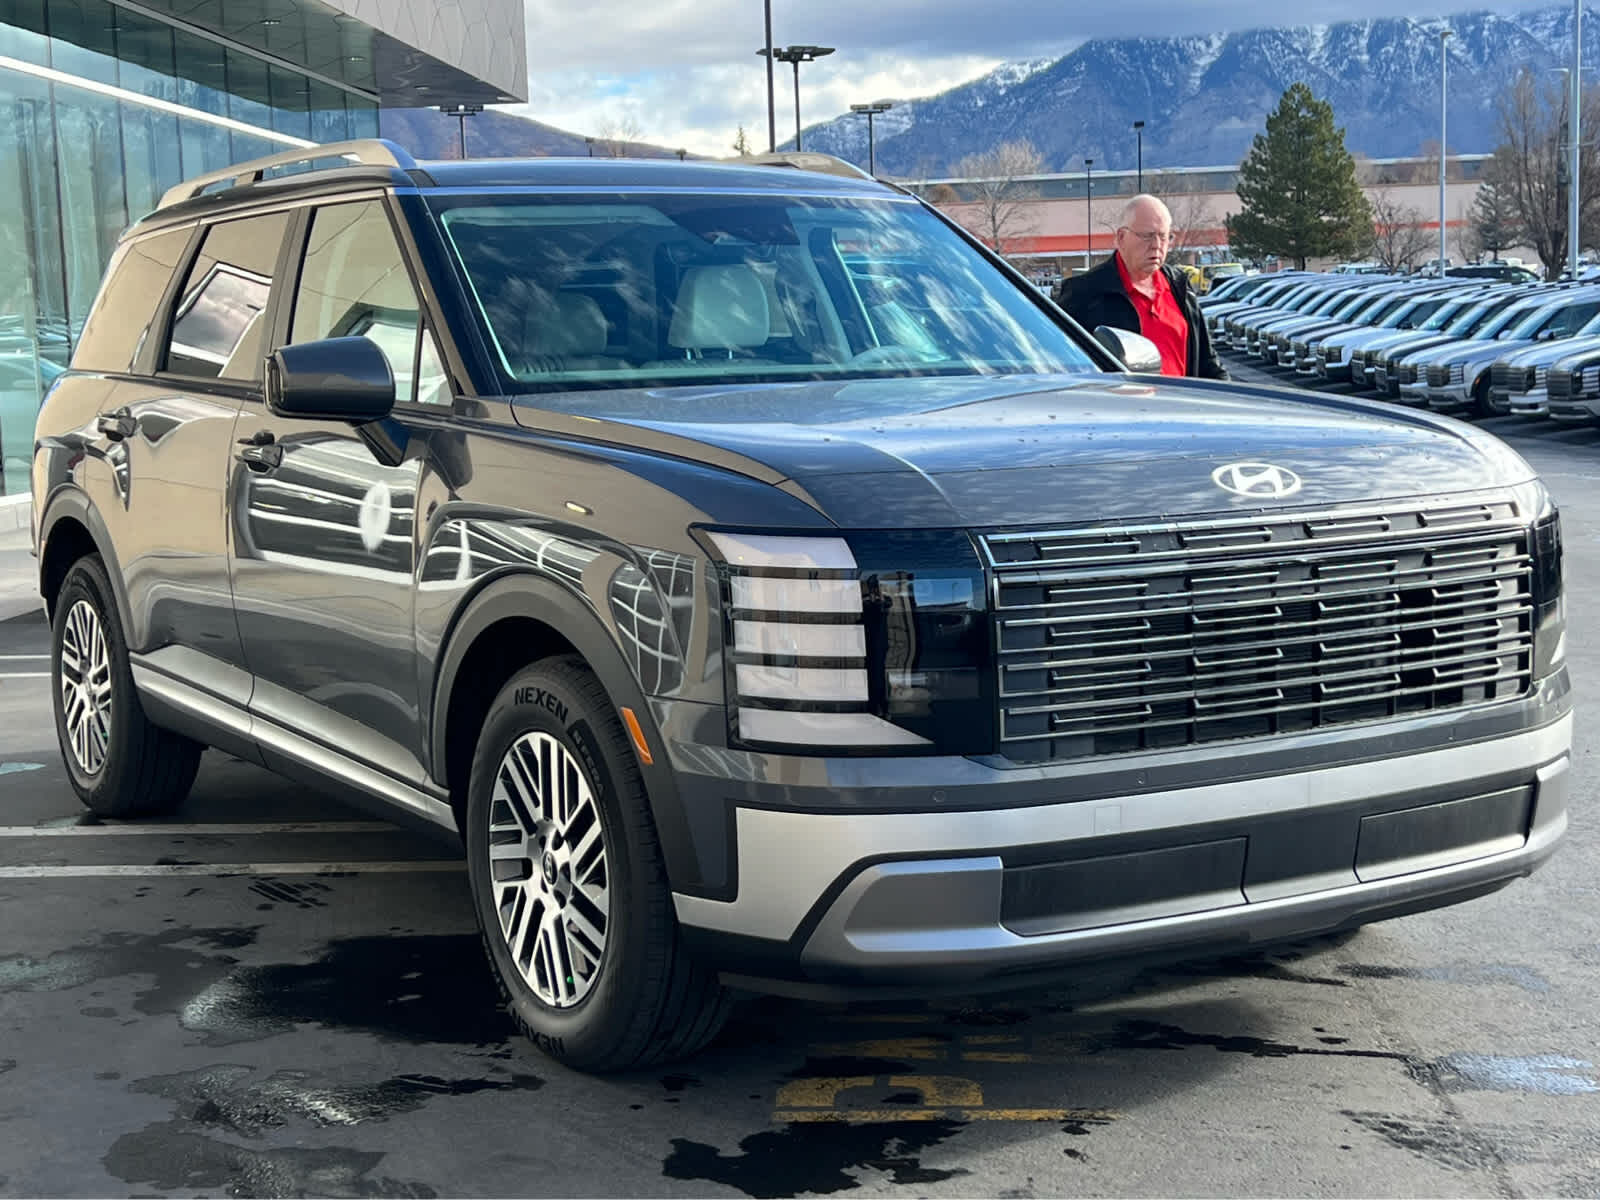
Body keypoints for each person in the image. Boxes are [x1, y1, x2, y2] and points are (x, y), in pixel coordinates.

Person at [1053, 194, 1228, 379]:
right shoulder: (1083, 293)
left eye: (1164, 236)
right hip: (1118, 397)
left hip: (1180, 397)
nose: (1157, 245)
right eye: (1147, 236)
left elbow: (1208, 362)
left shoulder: (1180, 287)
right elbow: (1058, 362)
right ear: (1121, 237)